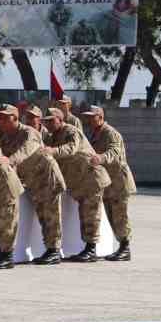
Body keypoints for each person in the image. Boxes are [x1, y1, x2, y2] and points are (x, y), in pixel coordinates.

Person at [45, 106, 110, 261]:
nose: (48, 124)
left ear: (60, 120)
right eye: (45, 122)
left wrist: (52, 151)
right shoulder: (52, 136)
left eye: (51, 121)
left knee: (91, 215)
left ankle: (91, 249)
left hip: (91, 178)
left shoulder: (71, 131)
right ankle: (87, 248)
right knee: (84, 214)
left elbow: (71, 148)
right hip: (80, 181)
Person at [82, 106, 136, 261]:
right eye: (88, 117)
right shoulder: (95, 134)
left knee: (120, 216)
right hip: (108, 183)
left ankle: (125, 248)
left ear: (100, 117)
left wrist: (101, 158)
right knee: (112, 216)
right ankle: (122, 247)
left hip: (119, 181)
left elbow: (115, 152)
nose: (89, 120)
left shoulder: (110, 133)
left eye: (92, 117)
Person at [18, 106, 67, 264]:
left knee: (52, 216)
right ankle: (49, 249)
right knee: (44, 218)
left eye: (33, 117)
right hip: (36, 182)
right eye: (28, 117)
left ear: (39, 120)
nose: (30, 120)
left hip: (48, 180)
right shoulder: (25, 133)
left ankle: (54, 251)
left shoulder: (45, 135)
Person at [0, 105, 29, 270]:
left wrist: (10, 160)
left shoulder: (27, 132)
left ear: (15, 118)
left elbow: (25, 150)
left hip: (7, 184)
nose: (0, 120)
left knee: (7, 222)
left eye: (4, 117)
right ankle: (1, 255)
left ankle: (7, 256)